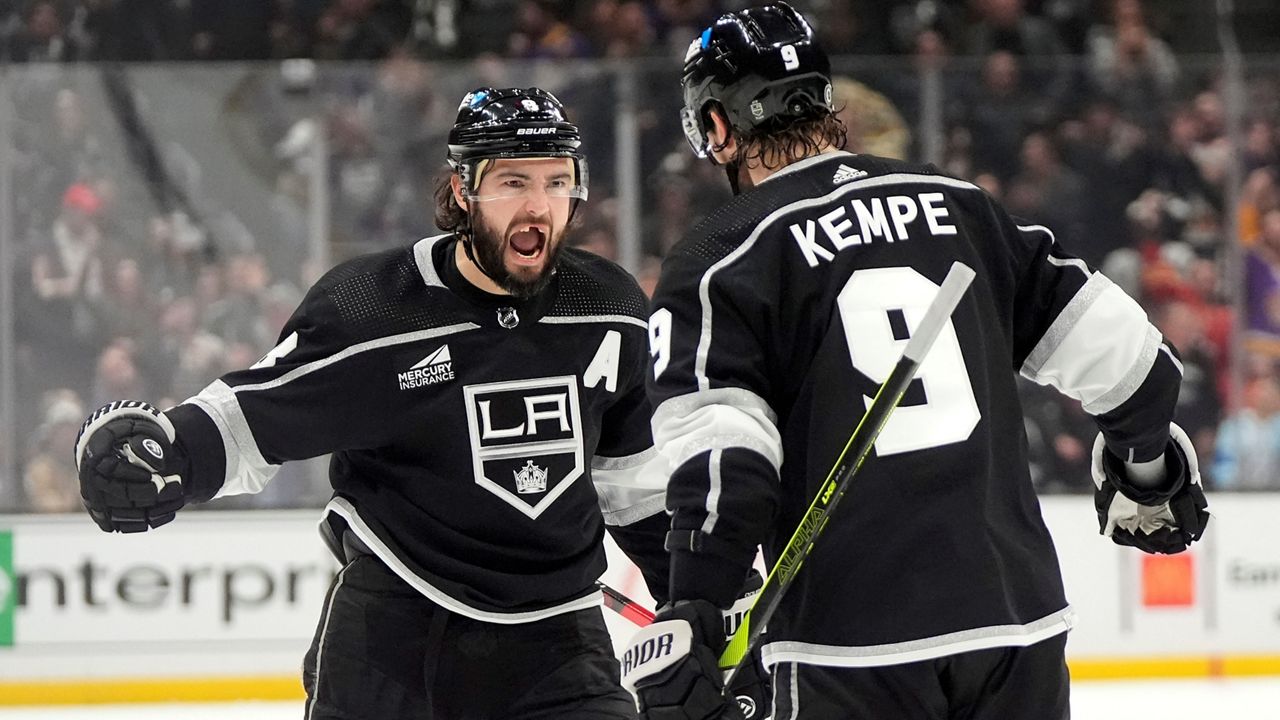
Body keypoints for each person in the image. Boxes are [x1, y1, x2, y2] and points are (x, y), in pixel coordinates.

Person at [621, 4, 1210, 719]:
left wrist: (695, 607)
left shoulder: (722, 255)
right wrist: (1146, 470)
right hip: (1016, 626)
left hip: (851, 647)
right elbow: (1134, 362)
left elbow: (729, 466)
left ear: (716, 128)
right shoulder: (959, 205)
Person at [74, 87, 672, 720]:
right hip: (394, 639)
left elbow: (633, 484)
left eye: (557, 182)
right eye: (512, 182)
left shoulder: (610, 309)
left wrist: (702, 590)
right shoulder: (377, 311)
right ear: (463, 189)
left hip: (559, 645)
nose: (538, 206)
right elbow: (257, 414)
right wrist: (166, 453)